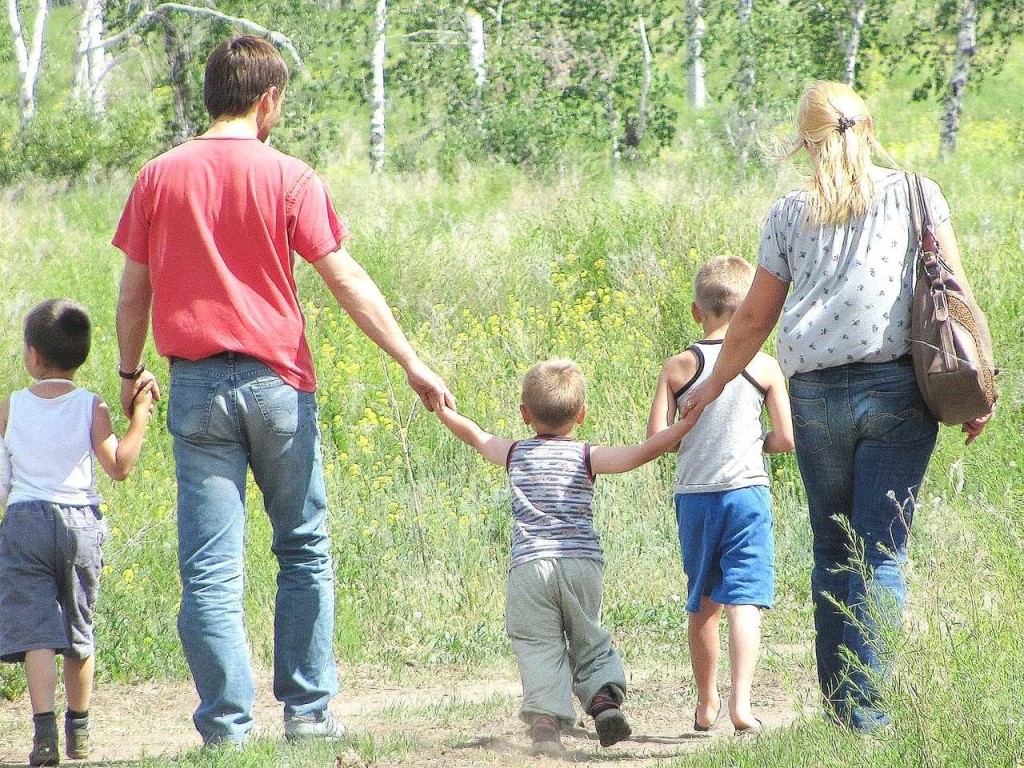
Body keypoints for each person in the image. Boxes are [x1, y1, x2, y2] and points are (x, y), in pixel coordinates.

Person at [111, 35, 453, 747]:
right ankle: (307, 715)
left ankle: (227, 732)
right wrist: (411, 361)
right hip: (277, 385)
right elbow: (345, 279)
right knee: (301, 549)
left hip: (195, 388)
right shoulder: (290, 177)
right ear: (267, 101)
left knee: (209, 569)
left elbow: (133, 290)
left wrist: (126, 371)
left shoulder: (157, 177)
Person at [676, 82, 991, 732]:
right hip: (899, 390)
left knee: (833, 552)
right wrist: (976, 384)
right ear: (869, 126)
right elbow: (953, 294)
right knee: (878, 555)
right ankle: (866, 718)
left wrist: (711, 385)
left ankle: (839, 707)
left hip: (815, 395)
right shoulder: (917, 193)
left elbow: (755, 317)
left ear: (805, 141)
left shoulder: (790, 213)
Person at [436, 358, 693, 755]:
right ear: (582, 413)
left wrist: (442, 409)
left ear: (524, 414)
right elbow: (640, 453)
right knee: (588, 634)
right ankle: (603, 701)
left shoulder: (514, 453)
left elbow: (475, 436)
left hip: (529, 567)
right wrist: (685, 424)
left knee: (538, 643)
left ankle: (544, 721)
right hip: (580, 563)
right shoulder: (587, 456)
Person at [0, 299, 154, 766]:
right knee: (78, 629)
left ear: (32, 355)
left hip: (25, 521)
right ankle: (80, 733)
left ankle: (44, 737)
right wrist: (141, 412)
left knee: (37, 636)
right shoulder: (93, 406)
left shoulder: (11, 408)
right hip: (79, 524)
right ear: (82, 354)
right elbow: (119, 467)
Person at [647, 256, 793, 734]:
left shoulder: (677, 366)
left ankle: (706, 701)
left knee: (703, 601)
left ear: (697, 312)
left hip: (695, 497)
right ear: (750, 305)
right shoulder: (763, 365)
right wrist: (755, 445)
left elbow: (657, 438)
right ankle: (742, 705)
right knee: (745, 599)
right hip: (748, 494)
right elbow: (786, 439)